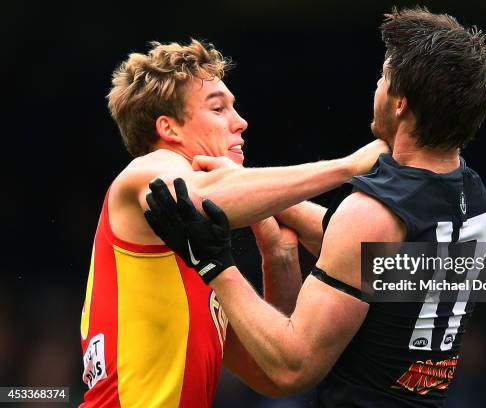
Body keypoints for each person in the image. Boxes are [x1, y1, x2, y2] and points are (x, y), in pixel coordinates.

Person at [145, 7, 486, 407]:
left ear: (401, 103)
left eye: (383, 77)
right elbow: (360, 253)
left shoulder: (371, 214)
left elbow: (293, 367)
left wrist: (214, 264)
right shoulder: (470, 191)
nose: (377, 87)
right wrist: (261, 196)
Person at [79, 38, 387, 407]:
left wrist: (279, 255)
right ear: (169, 129)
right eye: (218, 109)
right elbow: (195, 196)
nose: (240, 122)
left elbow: (273, 373)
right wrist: (348, 167)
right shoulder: (147, 171)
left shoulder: (196, 251)